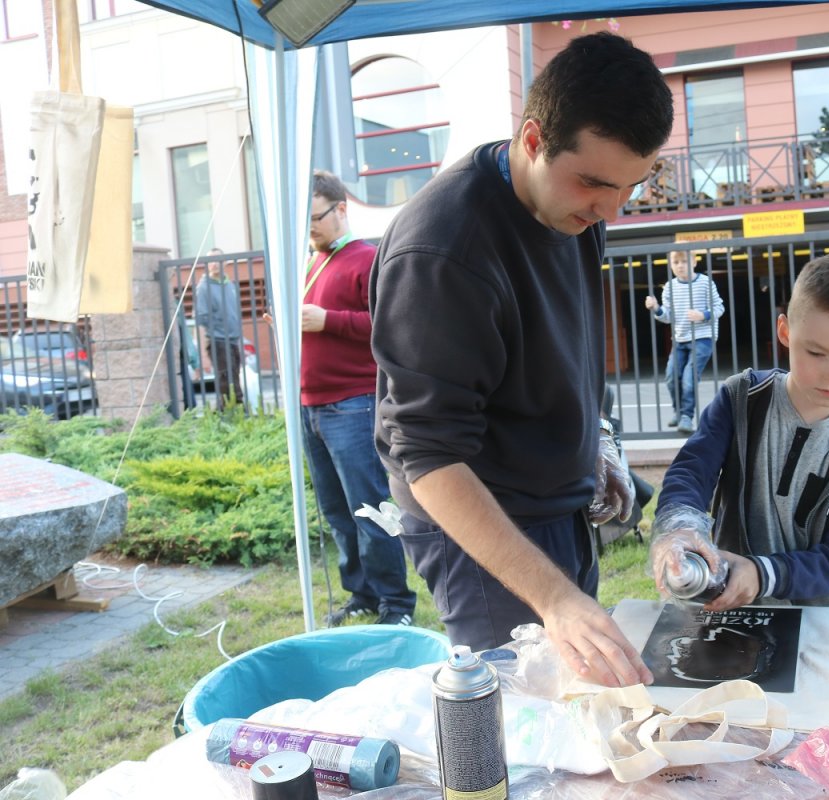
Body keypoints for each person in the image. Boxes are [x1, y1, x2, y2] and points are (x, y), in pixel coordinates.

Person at [371, 32, 673, 688]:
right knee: (527, 717)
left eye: (631, 187)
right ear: (533, 139)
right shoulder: (443, 250)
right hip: (482, 524)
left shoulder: (575, 209)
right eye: (594, 183)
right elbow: (427, 455)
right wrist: (555, 597)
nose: (610, 210)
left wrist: (597, 439)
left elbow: (565, 345)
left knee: (580, 691)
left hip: (562, 503)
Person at [649, 253, 829, 615]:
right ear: (785, 332)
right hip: (733, 608)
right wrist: (679, 528)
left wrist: (763, 574)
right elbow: (691, 472)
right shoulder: (740, 400)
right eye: (816, 353)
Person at [270, 170, 417, 627]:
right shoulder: (309, 263)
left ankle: (396, 603)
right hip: (310, 404)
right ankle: (362, 593)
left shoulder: (365, 259)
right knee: (337, 510)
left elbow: (392, 324)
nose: (310, 229)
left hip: (352, 404)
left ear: (341, 209)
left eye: (315, 218)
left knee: (368, 507)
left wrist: (328, 320)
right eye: (304, 222)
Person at [645, 250, 725, 435]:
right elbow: (668, 316)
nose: (680, 265)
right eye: (676, 262)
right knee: (671, 377)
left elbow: (719, 307)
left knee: (689, 379)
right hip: (680, 338)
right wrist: (656, 308)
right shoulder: (669, 287)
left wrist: (703, 315)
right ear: (671, 265)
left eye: (684, 261)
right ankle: (679, 412)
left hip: (703, 337)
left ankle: (687, 417)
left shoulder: (705, 282)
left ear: (694, 262)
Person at [193, 248, 244, 411]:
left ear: (226, 262)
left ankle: (224, 416)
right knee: (227, 384)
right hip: (217, 341)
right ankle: (232, 416)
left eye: (217, 260)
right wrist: (202, 356)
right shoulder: (203, 288)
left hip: (232, 340)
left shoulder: (230, 285)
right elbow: (200, 321)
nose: (214, 264)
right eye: (210, 261)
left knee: (233, 379)